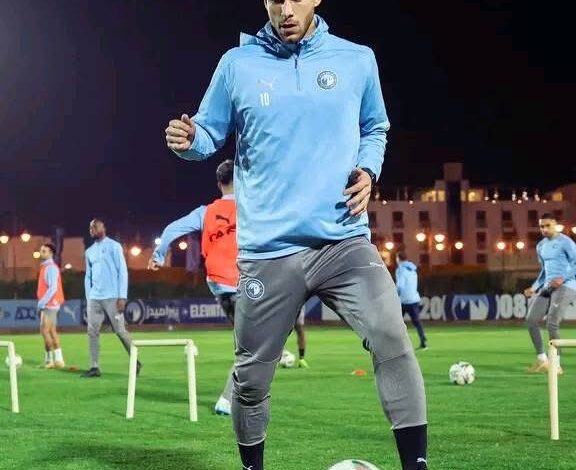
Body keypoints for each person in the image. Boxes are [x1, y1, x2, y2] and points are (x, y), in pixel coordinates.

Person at [165, 2, 428, 469]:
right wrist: (190, 141)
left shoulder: (357, 59)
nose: (285, 9)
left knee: (392, 337)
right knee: (250, 380)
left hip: (343, 242)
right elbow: (207, 132)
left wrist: (368, 169)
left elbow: (376, 127)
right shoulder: (237, 64)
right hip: (268, 251)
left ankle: (417, 465)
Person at [149, 159, 238, 415]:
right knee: (255, 347)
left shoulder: (205, 212)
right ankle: (227, 400)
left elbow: (171, 229)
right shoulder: (251, 207)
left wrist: (158, 256)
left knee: (250, 342)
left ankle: (239, 392)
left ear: (219, 184)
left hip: (217, 283)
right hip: (242, 282)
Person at [82, 218, 140, 378]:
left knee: (120, 330)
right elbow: (88, 276)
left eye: (95, 226)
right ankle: (94, 367)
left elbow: (123, 271)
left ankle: (135, 360)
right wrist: (89, 297)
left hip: (113, 297)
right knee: (92, 332)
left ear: (103, 227)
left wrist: (122, 296)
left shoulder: (114, 246)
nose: (92, 229)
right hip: (94, 298)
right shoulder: (89, 251)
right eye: (90, 227)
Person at [524, 213, 576, 374]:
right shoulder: (540, 246)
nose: (544, 229)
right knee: (531, 320)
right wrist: (534, 287)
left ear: (555, 225)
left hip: (566, 286)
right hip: (547, 287)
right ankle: (543, 360)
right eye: (542, 226)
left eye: (548, 225)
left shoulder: (566, 242)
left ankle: (556, 365)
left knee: (552, 322)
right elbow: (544, 271)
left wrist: (563, 278)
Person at [37, 243, 66, 369]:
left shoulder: (51, 268)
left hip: (50, 303)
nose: (41, 253)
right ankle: (58, 360)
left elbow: (53, 287)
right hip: (50, 303)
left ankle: (50, 360)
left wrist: (42, 302)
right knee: (51, 331)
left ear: (50, 253)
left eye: (44, 251)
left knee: (45, 331)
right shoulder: (46, 267)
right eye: (41, 250)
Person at [395, 252, 427, 350]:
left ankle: (396, 344)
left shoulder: (400, 269)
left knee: (396, 322)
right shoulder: (412, 269)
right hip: (413, 298)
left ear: (398, 259)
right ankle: (423, 341)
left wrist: (396, 295)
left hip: (404, 300)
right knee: (417, 321)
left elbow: (400, 285)